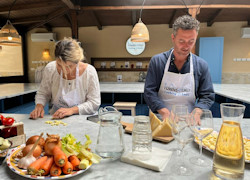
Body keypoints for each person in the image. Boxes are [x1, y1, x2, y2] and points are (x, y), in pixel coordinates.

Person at [144, 15, 215, 121]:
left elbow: (207, 95)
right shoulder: (157, 61)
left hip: (189, 121)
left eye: (191, 41)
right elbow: (149, 92)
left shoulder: (201, 65)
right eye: (182, 41)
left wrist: (197, 112)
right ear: (173, 38)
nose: (186, 46)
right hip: (161, 119)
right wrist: (164, 112)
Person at [30, 37, 101, 119]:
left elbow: (94, 103)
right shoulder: (50, 68)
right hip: (56, 117)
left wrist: (72, 110)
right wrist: (39, 106)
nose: (64, 70)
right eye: (60, 65)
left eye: (69, 66)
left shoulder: (89, 72)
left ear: (77, 61)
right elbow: (43, 93)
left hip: (83, 119)